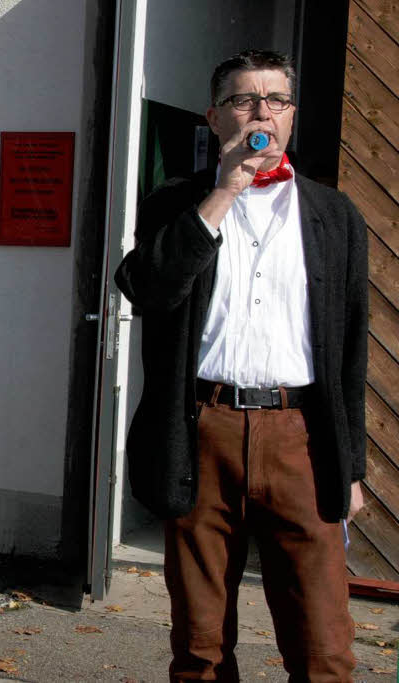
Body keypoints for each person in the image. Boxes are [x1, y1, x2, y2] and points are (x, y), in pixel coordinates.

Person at [115, 49, 367, 681]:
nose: (263, 112)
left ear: (292, 115)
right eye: (244, 100)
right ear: (214, 115)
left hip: (299, 437)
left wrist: (351, 463)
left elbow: (349, 352)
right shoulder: (176, 204)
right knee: (200, 649)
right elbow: (147, 289)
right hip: (203, 428)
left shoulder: (334, 216)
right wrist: (225, 189)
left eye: (276, 100)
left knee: (324, 650)